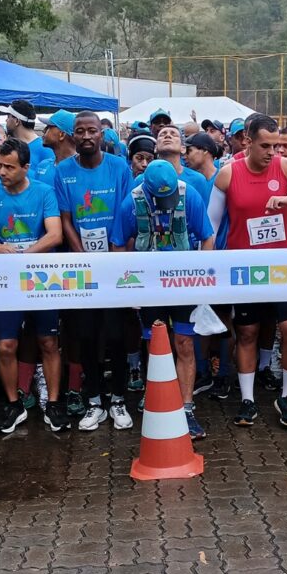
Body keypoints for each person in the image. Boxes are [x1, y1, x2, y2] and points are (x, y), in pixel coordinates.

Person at [206, 115, 287, 429]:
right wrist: (207, 267)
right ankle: (248, 400)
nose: (271, 152)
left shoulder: (285, 167)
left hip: (281, 268)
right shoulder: (228, 174)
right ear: (247, 142)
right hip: (245, 270)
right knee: (247, 333)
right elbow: (211, 226)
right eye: (265, 146)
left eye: (276, 145)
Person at [111, 159, 215, 439]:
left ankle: (187, 409)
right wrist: (129, 288)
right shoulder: (131, 203)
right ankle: (157, 398)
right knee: (155, 343)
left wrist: (201, 278)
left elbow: (207, 237)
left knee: (184, 343)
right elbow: (118, 244)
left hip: (183, 283)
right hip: (149, 286)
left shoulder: (189, 195)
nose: (167, 204)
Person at [54, 112, 136, 431]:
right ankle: (93, 401)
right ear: (72, 136)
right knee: (86, 335)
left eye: (92, 130)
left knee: (115, 335)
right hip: (82, 267)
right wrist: (82, 256)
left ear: (102, 134)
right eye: (80, 131)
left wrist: (114, 253)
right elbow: (65, 219)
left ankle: (118, 399)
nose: (86, 136)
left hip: (114, 263)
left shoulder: (119, 167)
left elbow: (126, 213)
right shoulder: (63, 171)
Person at [0, 138, 69, 433]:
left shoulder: (44, 192)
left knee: (48, 342)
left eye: (9, 167)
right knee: (6, 344)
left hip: (43, 277)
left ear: (26, 167)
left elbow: (55, 234)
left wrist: (23, 256)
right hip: (7, 281)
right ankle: (13, 404)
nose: (2, 172)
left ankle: (54, 403)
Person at [31, 110, 77, 188]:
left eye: (49, 127)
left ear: (61, 135)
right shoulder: (43, 165)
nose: (44, 130)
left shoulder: (82, 170)